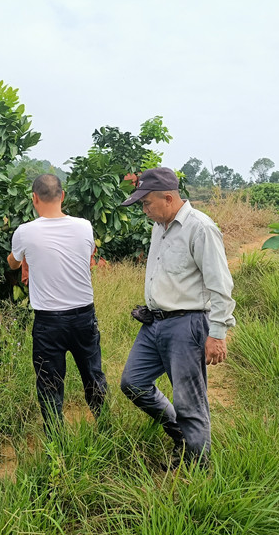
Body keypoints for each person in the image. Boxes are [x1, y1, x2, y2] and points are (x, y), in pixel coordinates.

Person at [119, 167, 235, 467]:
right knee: (133, 383)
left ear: (168, 198)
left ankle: (197, 469)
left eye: (147, 204)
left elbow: (220, 286)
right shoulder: (160, 225)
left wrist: (217, 334)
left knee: (189, 401)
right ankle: (179, 434)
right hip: (153, 323)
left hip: (187, 325)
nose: (144, 211)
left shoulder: (200, 228)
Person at [7, 174, 108, 432]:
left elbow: (13, 263)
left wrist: (26, 259)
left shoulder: (25, 232)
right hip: (84, 316)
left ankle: (56, 443)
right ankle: (105, 426)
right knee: (93, 375)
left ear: (34, 199)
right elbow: (87, 257)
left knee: (49, 382)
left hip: (48, 322)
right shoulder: (84, 226)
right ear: (62, 196)